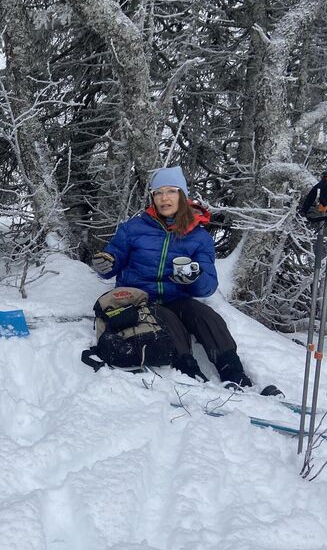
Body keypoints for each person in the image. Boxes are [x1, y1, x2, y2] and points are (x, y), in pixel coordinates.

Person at [91, 165, 252, 387]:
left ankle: (233, 372)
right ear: (152, 197)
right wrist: (105, 263)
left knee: (205, 315)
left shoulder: (199, 236)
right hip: (139, 297)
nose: (164, 198)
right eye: (158, 192)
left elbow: (208, 286)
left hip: (176, 296)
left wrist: (194, 277)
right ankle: (189, 371)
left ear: (182, 195)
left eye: (171, 191)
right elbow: (113, 259)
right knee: (168, 318)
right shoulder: (133, 228)